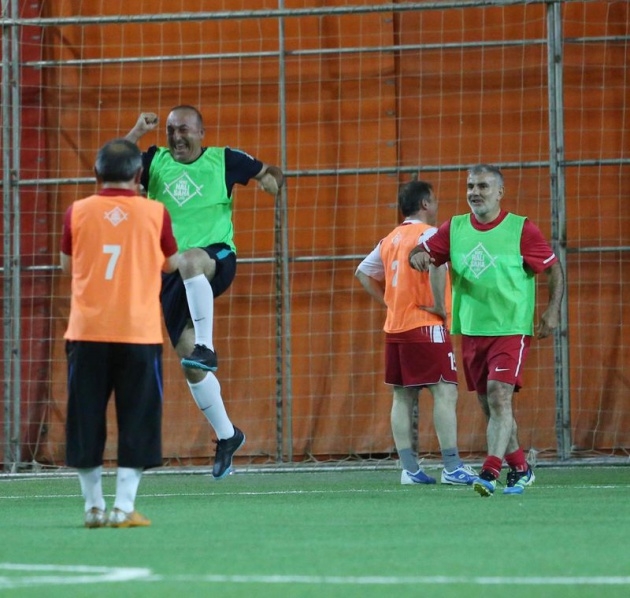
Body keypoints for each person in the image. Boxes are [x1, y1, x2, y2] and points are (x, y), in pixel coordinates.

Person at [125, 106, 284, 479]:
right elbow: (111, 165)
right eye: (170, 130)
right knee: (191, 366)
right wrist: (136, 132)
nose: (176, 136)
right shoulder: (154, 160)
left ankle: (206, 346)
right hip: (169, 272)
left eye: (183, 129)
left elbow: (271, 172)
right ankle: (228, 435)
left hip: (215, 257)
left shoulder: (224, 160)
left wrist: (271, 182)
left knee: (192, 261)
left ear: (200, 132)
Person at [409, 164, 564, 497]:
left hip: (510, 328)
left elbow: (553, 269)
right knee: (490, 404)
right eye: (470, 186)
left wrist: (553, 311)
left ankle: (490, 472)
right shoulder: (455, 228)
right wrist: (418, 256)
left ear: (499, 193)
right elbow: (422, 251)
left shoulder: (521, 229)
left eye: (482, 186)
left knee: (498, 395)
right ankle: (520, 467)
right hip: (471, 330)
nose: (474, 192)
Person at [61, 139, 180, 528]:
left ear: (97, 174)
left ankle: (93, 507)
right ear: (138, 175)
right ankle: (123, 507)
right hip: (137, 334)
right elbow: (170, 264)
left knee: (85, 418)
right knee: (138, 418)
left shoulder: (77, 211)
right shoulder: (155, 213)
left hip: (87, 333)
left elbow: (66, 265)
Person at [356, 180, 477, 486]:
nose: (436, 205)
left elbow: (362, 273)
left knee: (402, 395)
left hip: (395, 326)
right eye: (434, 200)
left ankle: (409, 470)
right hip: (425, 323)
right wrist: (440, 306)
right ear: (425, 204)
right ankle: (452, 467)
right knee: (445, 391)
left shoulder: (390, 239)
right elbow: (437, 265)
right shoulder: (431, 235)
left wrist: (389, 303)